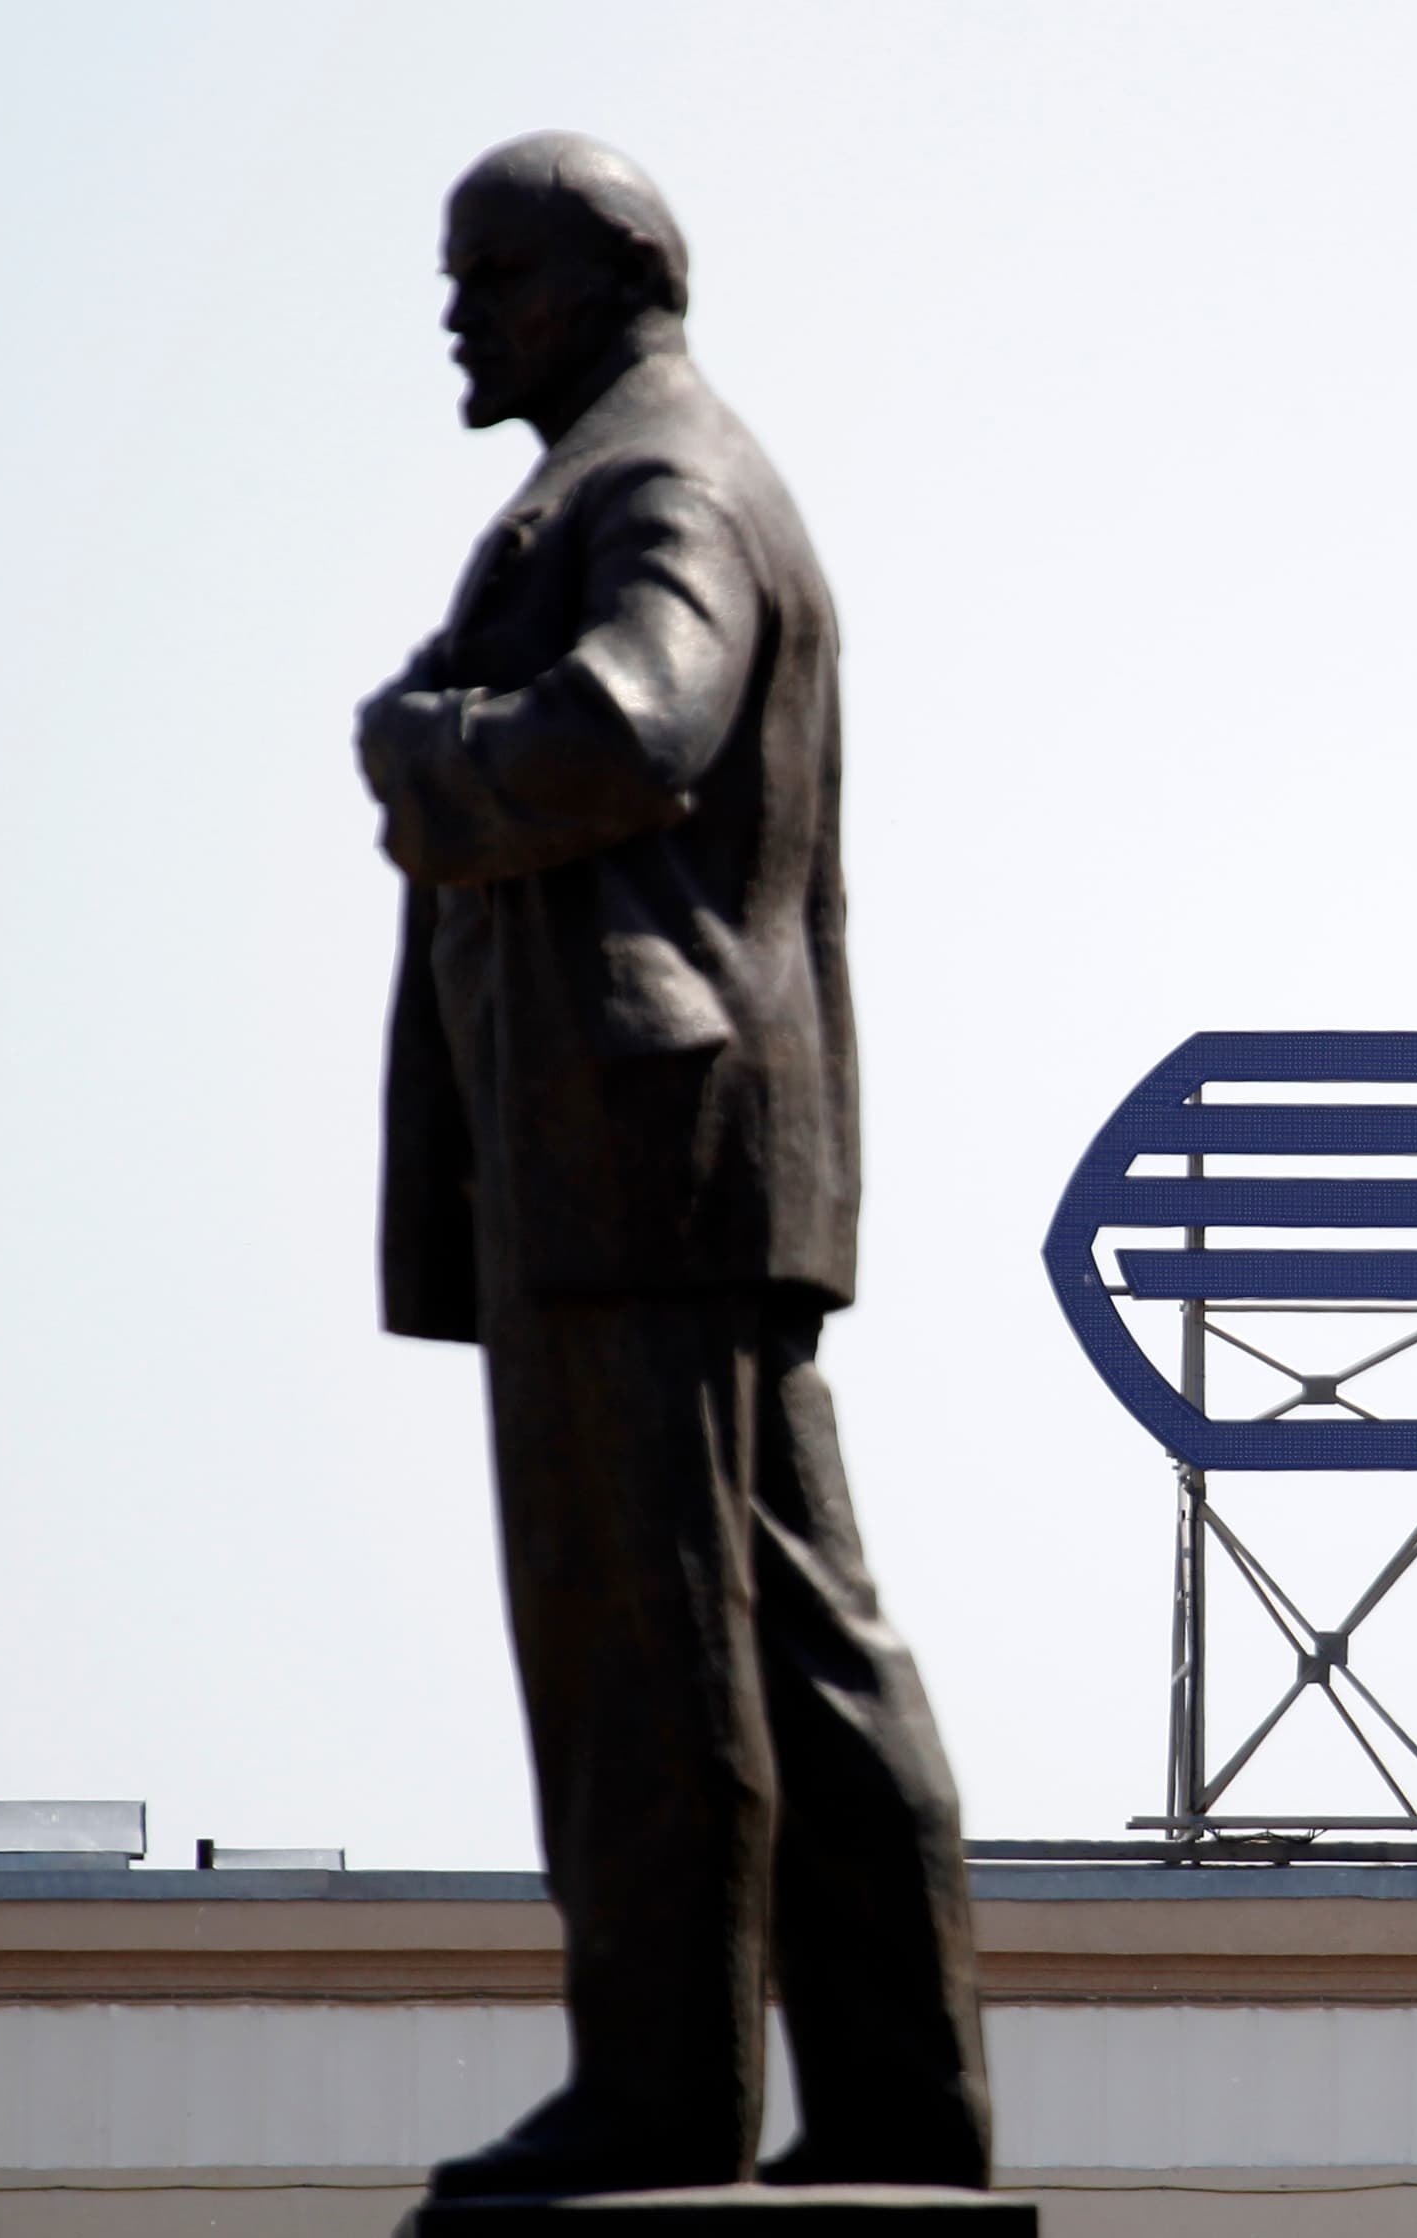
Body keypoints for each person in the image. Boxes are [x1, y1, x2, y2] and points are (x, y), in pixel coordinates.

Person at [352, 131, 990, 2201]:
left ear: (606, 276)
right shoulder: (652, 468)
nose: (456, 311)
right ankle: (898, 2110)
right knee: (798, 1646)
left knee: (654, 1647)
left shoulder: (657, 485)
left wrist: (423, 752)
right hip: (682, 1143)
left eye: (491, 270)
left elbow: (638, 720)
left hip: (634, 1143)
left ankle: (662, 2100)